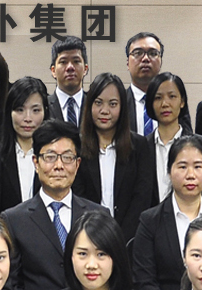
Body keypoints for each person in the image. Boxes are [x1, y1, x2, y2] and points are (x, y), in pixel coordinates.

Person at [3, 120, 110, 290]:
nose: (59, 166)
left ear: (77, 164)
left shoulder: (99, 215)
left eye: (67, 157)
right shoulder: (13, 220)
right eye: (50, 157)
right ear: (36, 163)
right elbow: (10, 282)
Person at [130, 135, 202, 290]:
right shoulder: (150, 221)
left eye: (198, 166)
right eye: (183, 166)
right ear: (170, 171)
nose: (190, 175)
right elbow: (144, 281)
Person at [75, 73, 157, 243]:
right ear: (89, 105)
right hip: (87, 237)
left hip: (129, 240)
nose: (105, 111)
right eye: (98, 103)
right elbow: (78, 196)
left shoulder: (139, 146)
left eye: (113, 104)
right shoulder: (77, 146)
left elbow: (142, 197)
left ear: (122, 107)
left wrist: (119, 238)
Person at [0, 76, 49, 212]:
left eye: (35, 110)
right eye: (20, 110)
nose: (28, 118)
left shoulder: (55, 157)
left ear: (45, 111)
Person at [125, 32, 191, 134]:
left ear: (161, 62)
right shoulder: (119, 102)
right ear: (128, 63)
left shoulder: (174, 101)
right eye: (138, 53)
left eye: (153, 53)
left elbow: (187, 138)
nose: (145, 59)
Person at [143, 72, 192, 200]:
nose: (165, 103)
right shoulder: (141, 147)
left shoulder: (198, 145)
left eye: (172, 96)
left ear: (182, 102)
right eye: (158, 98)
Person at [46, 36, 89, 124]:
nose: (70, 67)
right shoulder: (43, 106)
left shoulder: (94, 105)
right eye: (63, 62)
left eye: (76, 61)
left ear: (85, 69)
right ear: (53, 71)